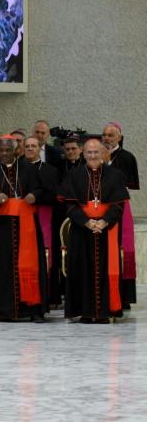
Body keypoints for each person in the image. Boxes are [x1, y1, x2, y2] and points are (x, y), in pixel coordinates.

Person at [0, 134, 46, 322]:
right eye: (1, 150)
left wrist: (33, 195)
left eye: (8, 150)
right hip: (1, 229)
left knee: (30, 265)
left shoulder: (27, 169)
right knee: (1, 268)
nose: (5, 154)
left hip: (27, 226)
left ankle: (32, 310)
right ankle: (2, 311)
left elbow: (42, 190)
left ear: (16, 150)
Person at [59, 138, 128, 323]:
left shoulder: (115, 175)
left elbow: (119, 205)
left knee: (105, 270)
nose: (92, 155)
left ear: (103, 153)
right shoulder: (74, 174)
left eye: (96, 152)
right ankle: (86, 312)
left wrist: (104, 221)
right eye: (89, 152)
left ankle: (104, 311)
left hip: (106, 230)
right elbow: (70, 205)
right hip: (81, 231)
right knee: (81, 269)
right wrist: (87, 222)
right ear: (83, 153)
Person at [102, 122, 139, 308]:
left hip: (120, 206)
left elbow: (128, 183)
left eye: (110, 135)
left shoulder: (127, 157)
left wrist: (109, 164)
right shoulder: (95, 155)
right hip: (99, 207)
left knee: (122, 248)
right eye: (104, 135)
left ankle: (124, 296)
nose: (106, 138)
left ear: (119, 137)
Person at [24, 137, 63, 306]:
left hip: (44, 216)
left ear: (40, 148)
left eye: (33, 146)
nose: (30, 148)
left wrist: (37, 197)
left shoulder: (50, 170)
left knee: (47, 253)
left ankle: (48, 295)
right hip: (23, 216)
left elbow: (55, 194)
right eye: (27, 146)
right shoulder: (18, 167)